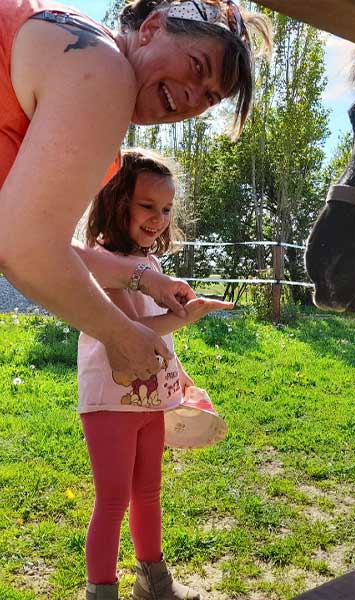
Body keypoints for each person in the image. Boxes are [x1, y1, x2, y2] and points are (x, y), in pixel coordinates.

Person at [0, 0, 271, 381]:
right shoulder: (105, 71)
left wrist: (144, 277)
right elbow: (25, 247)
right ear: (151, 28)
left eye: (210, 98)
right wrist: (119, 334)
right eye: (197, 66)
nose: (194, 99)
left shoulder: (78, 48)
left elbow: (28, 238)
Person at [79, 148, 233, 600]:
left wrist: (179, 373)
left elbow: (157, 339)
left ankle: (153, 582)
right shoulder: (101, 265)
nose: (159, 218)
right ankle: (101, 592)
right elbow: (131, 333)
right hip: (111, 399)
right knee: (112, 501)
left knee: (148, 492)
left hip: (153, 399)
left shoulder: (151, 267)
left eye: (166, 209)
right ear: (115, 201)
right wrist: (189, 316)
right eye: (147, 206)